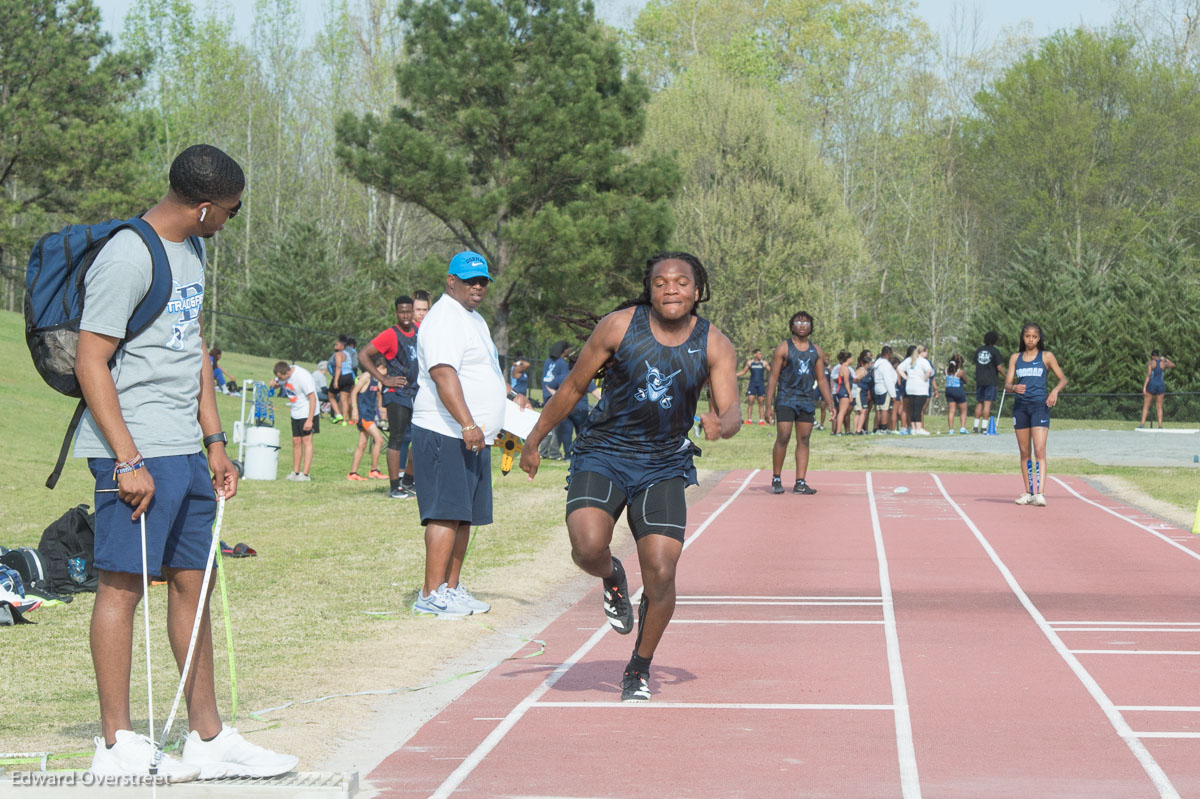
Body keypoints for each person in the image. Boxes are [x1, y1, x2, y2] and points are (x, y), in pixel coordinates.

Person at [74, 144, 295, 781]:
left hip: (185, 450)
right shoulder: (128, 254)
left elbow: (193, 348)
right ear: (203, 208)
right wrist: (125, 460)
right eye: (229, 211)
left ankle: (209, 737)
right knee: (121, 585)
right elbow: (93, 360)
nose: (230, 221)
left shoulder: (192, 251)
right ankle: (115, 746)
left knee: (196, 587)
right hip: (135, 449)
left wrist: (217, 442)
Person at [520, 251, 741, 703]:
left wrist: (723, 422)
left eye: (682, 282)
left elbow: (731, 408)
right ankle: (612, 574)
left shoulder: (714, 343)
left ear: (698, 291)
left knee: (661, 571)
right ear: (650, 289)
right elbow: (574, 387)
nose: (671, 289)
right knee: (586, 549)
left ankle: (638, 667)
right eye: (661, 282)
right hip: (604, 452)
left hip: (662, 463)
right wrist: (534, 438)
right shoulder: (619, 326)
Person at [410, 251, 532, 618]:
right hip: (445, 429)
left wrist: (509, 396)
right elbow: (443, 374)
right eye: (468, 280)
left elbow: (482, 371)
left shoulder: (473, 319)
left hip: (473, 435)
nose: (477, 287)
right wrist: (467, 423)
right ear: (451, 280)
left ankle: (452, 587)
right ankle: (431, 594)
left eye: (482, 281)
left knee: (465, 515)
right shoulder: (443, 318)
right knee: (445, 513)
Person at [765, 311, 835, 494]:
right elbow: (773, 377)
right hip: (787, 398)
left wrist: (830, 403)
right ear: (792, 325)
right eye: (798, 322)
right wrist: (768, 406)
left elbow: (821, 380)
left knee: (804, 439)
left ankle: (800, 482)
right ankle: (776, 477)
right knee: (783, 436)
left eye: (806, 322)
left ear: (811, 326)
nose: (802, 325)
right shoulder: (784, 348)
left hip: (806, 400)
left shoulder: (816, 351)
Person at [359, 295, 420, 499]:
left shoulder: (420, 331)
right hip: (397, 394)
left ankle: (410, 481)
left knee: (421, 438)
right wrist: (383, 379)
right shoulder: (389, 335)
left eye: (408, 311)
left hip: (417, 392)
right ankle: (395, 487)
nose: (405, 315)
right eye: (401, 311)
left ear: (413, 311)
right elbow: (363, 355)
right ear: (396, 313)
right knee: (397, 437)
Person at [1005, 322, 1067, 506]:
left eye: (1034, 337)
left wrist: (1054, 391)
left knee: (1039, 450)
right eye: (1027, 336)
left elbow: (1063, 379)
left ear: (1039, 338)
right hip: (1020, 408)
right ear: (1022, 338)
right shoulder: (1015, 358)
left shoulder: (1046, 356)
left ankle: (1040, 493)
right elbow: (1007, 385)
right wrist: (1014, 387)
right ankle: (1028, 492)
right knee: (1025, 452)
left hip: (1039, 407)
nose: (1030, 340)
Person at [272, 361, 318, 481]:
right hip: (296, 412)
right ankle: (295, 472)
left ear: (287, 372)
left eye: (281, 377)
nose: (279, 379)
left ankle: (305, 474)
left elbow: (313, 398)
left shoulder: (302, 377)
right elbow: (277, 382)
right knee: (296, 441)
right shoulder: (284, 375)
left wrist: (310, 420)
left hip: (307, 412)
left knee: (307, 441)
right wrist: (275, 383)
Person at [347, 369, 385, 480]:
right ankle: (374, 471)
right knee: (379, 439)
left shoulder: (376, 379)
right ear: (379, 367)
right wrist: (354, 410)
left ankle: (352, 473)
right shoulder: (366, 376)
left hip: (370, 414)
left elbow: (380, 395)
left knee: (362, 444)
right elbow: (354, 392)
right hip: (364, 415)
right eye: (385, 369)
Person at [539, 341, 571, 460]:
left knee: (546, 425)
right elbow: (563, 382)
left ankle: (543, 451)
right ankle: (554, 452)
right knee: (557, 426)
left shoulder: (548, 361)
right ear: (564, 351)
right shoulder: (562, 364)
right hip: (555, 397)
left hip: (546, 395)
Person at [972, 331, 1005, 433]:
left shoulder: (979, 350)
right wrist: (1006, 376)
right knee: (987, 404)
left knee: (979, 403)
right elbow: (999, 367)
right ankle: (984, 427)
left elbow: (976, 362)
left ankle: (975, 426)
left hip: (980, 380)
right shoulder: (995, 351)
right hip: (990, 380)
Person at [899, 345, 933, 435]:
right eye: (926, 352)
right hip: (920, 388)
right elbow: (929, 371)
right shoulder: (923, 361)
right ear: (922, 352)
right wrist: (925, 378)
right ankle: (919, 428)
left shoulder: (909, 360)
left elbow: (899, 368)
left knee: (913, 408)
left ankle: (913, 428)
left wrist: (906, 378)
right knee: (918, 408)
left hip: (910, 387)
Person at [1139, 349, 1175, 429]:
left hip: (1151, 385)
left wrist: (1144, 387)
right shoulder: (1163, 363)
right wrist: (1165, 359)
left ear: (1152, 356)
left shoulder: (1151, 363)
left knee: (1146, 405)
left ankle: (1142, 424)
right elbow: (1173, 365)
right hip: (1160, 385)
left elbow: (1148, 375)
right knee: (1159, 406)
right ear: (1158, 356)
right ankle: (1160, 425)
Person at [736, 348, 769, 425]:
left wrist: (780, 374)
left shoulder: (764, 363)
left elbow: (771, 371)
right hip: (752, 385)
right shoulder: (750, 363)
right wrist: (734, 374)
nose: (761, 355)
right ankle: (749, 420)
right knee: (750, 402)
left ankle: (761, 421)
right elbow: (743, 372)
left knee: (761, 402)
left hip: (761, 385)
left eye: (761, 354)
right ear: (755, 354)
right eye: (759, 354)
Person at [872, 346, 897, 433]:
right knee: (884, 410)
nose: (891, 355)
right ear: (887, 354)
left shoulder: (877, 363)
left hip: (877, 388)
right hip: (885, 388)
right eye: (891, 353)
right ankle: (883, 428)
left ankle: (877, 429)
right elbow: (888, 380)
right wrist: (893, 394)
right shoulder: (885, 364)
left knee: (878, 409)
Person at [830, 350, 853, 435]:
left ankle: (838, 431)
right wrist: (850, 394)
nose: (852, 360)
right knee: (842, 412)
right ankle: (838, 431)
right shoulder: (845, 368)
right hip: (843, 391)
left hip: (841, 390)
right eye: (851, 358)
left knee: (842, 411)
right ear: (847, 359)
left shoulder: (841, 367)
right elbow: (846, 382)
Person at [944, 355, 968, 434]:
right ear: (959, 363)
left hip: (948, 390)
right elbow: (965, 381)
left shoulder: (947, 370)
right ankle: (962, 428)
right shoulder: (960, 372)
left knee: (951, 410)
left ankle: (951, 429)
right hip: (958, 390)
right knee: (963, 410)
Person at [852, 349, 873, 434]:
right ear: (866, 364)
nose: (872, 365)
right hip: (859, 391)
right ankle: (858, 430)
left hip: (863, 392)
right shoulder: (861, 371)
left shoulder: (867, 371)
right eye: (871, 364)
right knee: (863, 410)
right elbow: (854, 379)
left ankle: (856, 430)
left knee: (859, 411)